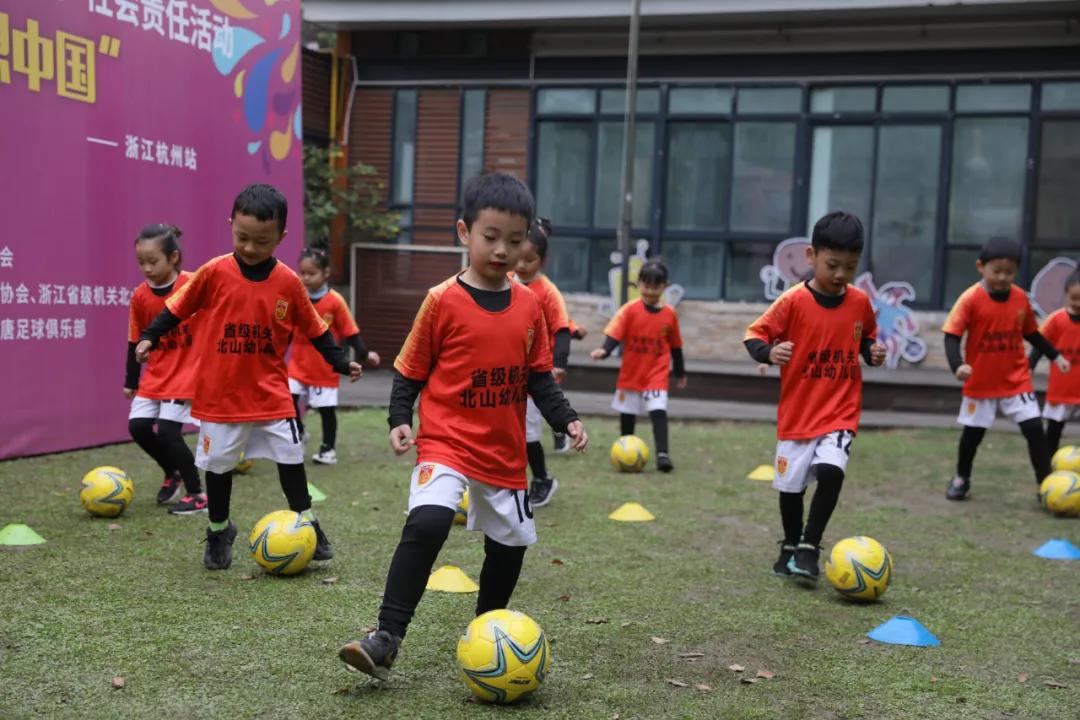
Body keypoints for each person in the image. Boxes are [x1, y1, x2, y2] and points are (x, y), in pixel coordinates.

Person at [337, 172, 588, 682]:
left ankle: (485, 633)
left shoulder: (531, 305)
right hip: (446, 441)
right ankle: (386, 638)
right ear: (463, 232)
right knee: (427, 521)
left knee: (511, 543)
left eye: (514, 242)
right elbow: (410, 369)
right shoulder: (441, 300)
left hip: (503, 450)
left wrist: (567, 419)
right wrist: (398, 420)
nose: (502, 251)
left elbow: (539, 377)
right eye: (490, 237)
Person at [135, 184, 361, 569]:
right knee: (219, 466)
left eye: (262, 241)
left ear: (281, 238)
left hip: (270, 392)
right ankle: (220, 528)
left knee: (291, 459)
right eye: (242, 237)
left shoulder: (289, 281)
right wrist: (150, 336)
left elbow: (315, 328)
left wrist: (340, 361)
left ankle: (308, 522)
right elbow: (176, 308)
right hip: (220, 396)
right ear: (231, 225)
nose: (251, 248)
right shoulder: (213, 272)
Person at [744, 212, 886, 580]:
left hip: (840, 410)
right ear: (811, 255)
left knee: (831, 470)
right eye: (832, 265)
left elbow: (867, 338)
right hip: (798, 414)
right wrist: (769, 352)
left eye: (850, 267)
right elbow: (754, 335)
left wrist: (872, 352)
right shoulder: (792, 302)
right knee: (790, 490)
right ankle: (790, 544)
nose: (841, 274)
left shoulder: (858, 302)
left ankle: (810, 545)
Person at [942, 237, 1069, 501]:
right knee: (973, 435)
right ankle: (961, 478)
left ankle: (1046, 485)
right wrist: (958, 366)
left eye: (1009, 272)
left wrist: (1055, 356)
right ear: (981, 266)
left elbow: (1032, 334)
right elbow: (951, 336)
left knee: (1035, 429)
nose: (1002, 277)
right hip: (981, 382)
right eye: (996, 271)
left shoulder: (1021, 299)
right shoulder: (970, 299)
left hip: (1015, 380)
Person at [124, 223, 205, 514]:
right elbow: (135, 340)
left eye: (153, 261)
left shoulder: (193, 284)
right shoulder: (140, 296)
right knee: (139, 426)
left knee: (170, 432)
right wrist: (131, 380)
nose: (146, 268)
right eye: (141, 262)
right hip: (157, 374)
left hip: (186, 373)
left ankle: (197, 494)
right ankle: (173, 472)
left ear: (173, 257)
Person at [288, 237, 379, 465]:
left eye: (311, 274)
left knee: (326, 410)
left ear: (326, 273)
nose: (305, 278)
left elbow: (351, 332)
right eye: (302, 273)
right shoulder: (297, 298)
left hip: (324, 367)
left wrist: (365, 354)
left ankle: (328, 450)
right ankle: (299, 433)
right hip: (297, 365)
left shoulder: (335, 301)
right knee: (288, 400)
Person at [590, 260, 686, 472]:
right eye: (647, 285)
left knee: (658, 411)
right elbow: (615, 334)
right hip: (632, 372)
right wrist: (604, 351)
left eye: (656, 286)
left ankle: (663, 455)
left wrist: (680, 372)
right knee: (627, 413)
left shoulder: (669, 314)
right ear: (639, 284)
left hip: (657, 373)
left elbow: (676, 346)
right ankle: (626, 450)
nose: (651, 291)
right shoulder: (629, 310)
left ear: (665, 286)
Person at [511, 216, 570, 507]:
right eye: (517, 258)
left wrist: (559, 361)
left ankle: (543, 479)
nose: (521, 266)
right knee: (510, 431)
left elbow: (562, 327)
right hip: (510, 372)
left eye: (529, 260)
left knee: (529, 433)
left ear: (542, 261)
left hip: (536, 374)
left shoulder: (547, 292)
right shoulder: (507, 282)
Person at [1030, 269, 1080, 456]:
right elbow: (1039, 345)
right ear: (1066, 293)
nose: (1078, 304)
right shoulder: (1056, 320)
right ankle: (1047, 467)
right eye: (1074, 298)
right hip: (1062, 388)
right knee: (1053, 431)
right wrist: (1029, 367)